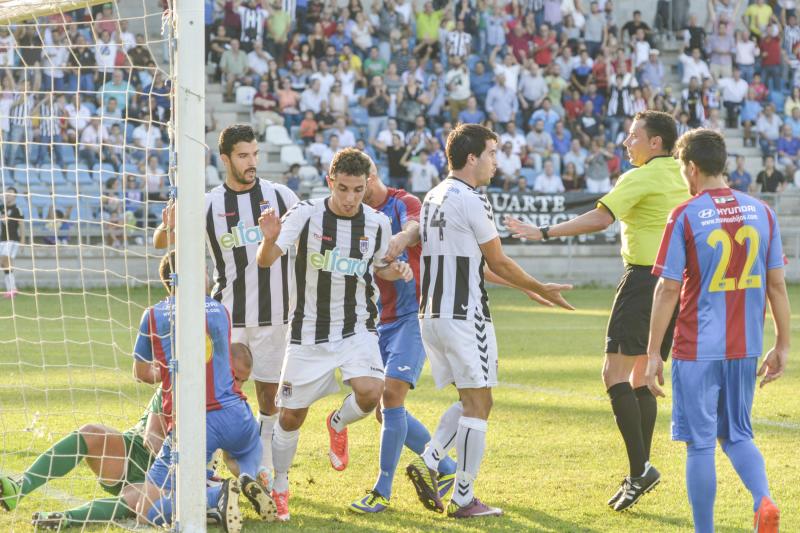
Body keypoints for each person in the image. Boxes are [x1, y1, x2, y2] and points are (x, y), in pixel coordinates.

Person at [505, 111, 690, 511]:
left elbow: (600, 217)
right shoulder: (684, 176)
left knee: (614, 374)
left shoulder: (640, 177)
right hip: (676, 286)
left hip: (643, 282)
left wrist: (544, 232)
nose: (627, 142)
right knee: (641, 377)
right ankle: (640, 470)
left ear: (655, 142)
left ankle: (640, 469)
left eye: (632, 135)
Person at [406, 123, 574, 518]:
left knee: (472, 399)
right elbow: (496, 259)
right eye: (493, 153)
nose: (496, 162)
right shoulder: (473, 199)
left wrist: (525, 288)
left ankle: (430, 459)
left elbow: (471, 262)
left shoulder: (433, 195)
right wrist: (540, 285)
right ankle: (463, 497)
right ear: (472, 158)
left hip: (432, 314)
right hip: (466, 315)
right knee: (480, 404)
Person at [255, 148, 414, 521]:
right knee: (291, 417)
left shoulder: (376, 223)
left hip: (357, 327)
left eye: (358, 190)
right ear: (330, 182)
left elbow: (380, 270)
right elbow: (266, 260)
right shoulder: (306, 215)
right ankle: (280, 484)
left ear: (366, 186)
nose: (349, 198)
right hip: (308, 333)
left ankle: (338, 422)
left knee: (372, 392)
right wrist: (269, 238)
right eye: (343, 188)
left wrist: (398, 271)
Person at [645, 128, 788, 533]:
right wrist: (781, 344)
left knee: (701, 444)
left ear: (691, 167)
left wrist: (654, 351)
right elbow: (777, 286)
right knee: (739, 434)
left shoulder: (686, 214)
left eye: (681, 169)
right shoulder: (762, 211)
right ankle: (764, 501)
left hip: (696, 347)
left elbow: (668, 288)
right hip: (745, 345)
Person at [153, 124, 299, 493]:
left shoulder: (280, 196)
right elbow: (160, 241)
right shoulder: (208, 204)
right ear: (225, 160)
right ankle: (211, 463)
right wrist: (168, 224)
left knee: (269, 397)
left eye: (254, 154)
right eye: (242, 156)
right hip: (226, 313)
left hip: (276, 314)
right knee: (224, 383)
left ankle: (262, 469)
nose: (251, 163)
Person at [347, 157, 459, 513]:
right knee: (384, 411)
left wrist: (398, 240)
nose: (353, 197)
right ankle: (446, 469)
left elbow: (413, 228)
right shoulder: (355, 217)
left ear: (372, 177)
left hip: (414, 314)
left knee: (392, 397)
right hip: (379, 320)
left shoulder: (404, 202)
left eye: (359, 188)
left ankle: (381, 491)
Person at [133, 252, 275, 531]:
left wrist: (170, 369)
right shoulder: (220, 310)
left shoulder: (152, 315)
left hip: (195, 422)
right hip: (237, 412)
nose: (209, 274)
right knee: (247, 449)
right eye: (204, 268)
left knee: (145, 508)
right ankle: (248, 475)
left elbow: (140, 373)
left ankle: (215, 496)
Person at [1, 390, 165, 529]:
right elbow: (150, 434)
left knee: (139, 499)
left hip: (169, 473)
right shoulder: (173, 380)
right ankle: (20, 486)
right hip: (134, 451)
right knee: (91, 433)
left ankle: (65, 518)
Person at [1, 187, 23, 299]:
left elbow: (22, 225)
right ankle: (10, 289)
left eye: (11, 193)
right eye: (7, 193)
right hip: (3, 239)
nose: (8, 195)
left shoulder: (17, 209)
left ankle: (12, 289)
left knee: (6, 260)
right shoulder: (2, 209)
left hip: (13, 239)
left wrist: (23, 241)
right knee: (3, 263)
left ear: (15, 196)